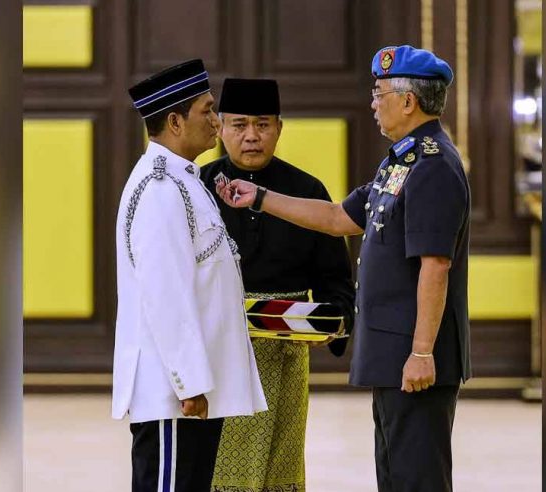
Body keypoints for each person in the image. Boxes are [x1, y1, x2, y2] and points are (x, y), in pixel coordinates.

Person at [216, 46, 471, 492]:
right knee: (395, 474)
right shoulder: (401, 161)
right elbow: (338, 218)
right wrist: (257, 197)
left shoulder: (432, 166)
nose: (373, 104)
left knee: (418, 478)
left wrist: (423, 352)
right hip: (394, 354)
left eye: (379, 93)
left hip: (414, 355)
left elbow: (436, 265)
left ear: (408, 101)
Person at [112, 59, 267, 492]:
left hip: (191, 394)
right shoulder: (161, 189)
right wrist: (190, 383)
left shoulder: (185, 181)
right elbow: (166, 295)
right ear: (176, 121)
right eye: (207, 111)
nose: (217, 123)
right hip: (172, 395)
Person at [200, 78, 355, 492]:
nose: (252, 135)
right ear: (219, 127)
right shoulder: (196, 187)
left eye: (263, 124)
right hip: (215, 355)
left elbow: (335, 278)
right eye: (239, 124)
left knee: (280, 464)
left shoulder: (307, 192)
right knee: (219, 469)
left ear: (280, 128)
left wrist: (332, 323)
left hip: (285, 352)